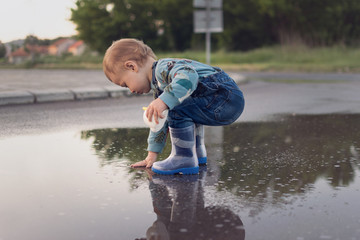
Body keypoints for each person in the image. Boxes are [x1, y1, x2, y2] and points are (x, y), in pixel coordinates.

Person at [103, 38, 244, 175]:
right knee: (183, 106)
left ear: (132, 66)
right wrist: (151, 156)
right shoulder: (161, 88)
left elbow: (189, 75)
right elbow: (159, 122)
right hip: (224, 99)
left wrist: (164, 101)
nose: (131, 90)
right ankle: (196, 152)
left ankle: (184, 158)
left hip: (223, 97)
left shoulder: (163, 68)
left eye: (126, 84)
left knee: (175, 107)